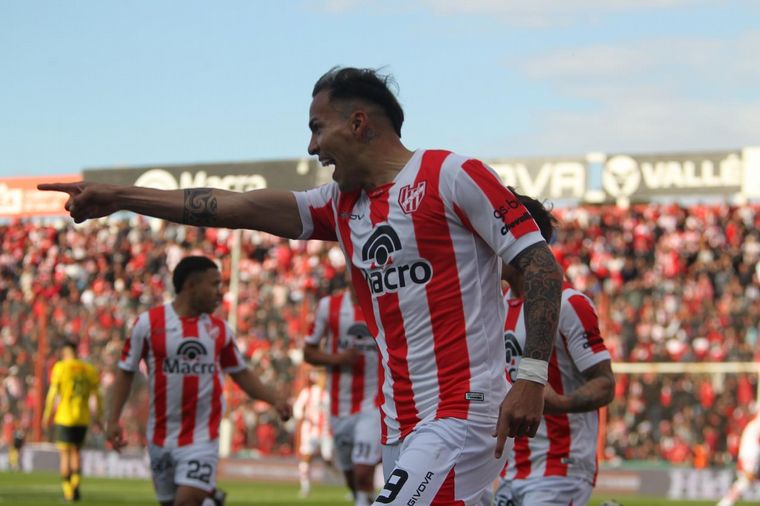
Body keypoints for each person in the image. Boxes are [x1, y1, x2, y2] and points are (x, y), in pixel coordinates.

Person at [40, 65, 564, 504]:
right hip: (398, 421)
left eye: (318, 128)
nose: (313, 146)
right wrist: (122, 198)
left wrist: (531, 377)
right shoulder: (339, 205)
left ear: (359, 123)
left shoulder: (452, 175)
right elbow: (235, 206)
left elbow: (540, 266)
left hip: (461, 412)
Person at [105, 255, 291, 506]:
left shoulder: (219, 330)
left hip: (202, 437)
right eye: (214, 285)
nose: (220, 292)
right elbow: (125, 372)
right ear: (191, 286)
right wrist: (113, 419)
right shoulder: (148, 324)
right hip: (160, 437)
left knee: (186, 502)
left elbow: (241, 373)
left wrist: (275, 398)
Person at [493, 191, 615, 506]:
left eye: (499, 232)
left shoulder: (570, 304)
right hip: (512, 467)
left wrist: (558, 403)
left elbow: (605, 384)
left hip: (561, 465)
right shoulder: (498, 308)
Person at [303, 280, 381, 506]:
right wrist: (338, 359)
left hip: (373, 402)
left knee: (363, 471)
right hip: (339, 406)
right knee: (350, 474)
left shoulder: (383, 302)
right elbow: (308, 352)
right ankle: (366, 500)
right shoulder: (329, 306)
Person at [42, 340, 103, 503]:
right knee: (76, 453)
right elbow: (98, 396)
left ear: (65, 352)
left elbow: (52, 393)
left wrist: (47, 415)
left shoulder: (61, 367)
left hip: (65, 416)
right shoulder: (89, 369)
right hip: (82, 418)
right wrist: (99, 416)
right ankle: (76, 486)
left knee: (65, 455)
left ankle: (68, 491)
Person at [292, 369, 333, 499]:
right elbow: (297, 408)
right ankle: (305, 487)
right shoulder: (308, 392)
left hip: (327, 432)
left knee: (329, 459)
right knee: (306, 458)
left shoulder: (329, 394)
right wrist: (303, 416)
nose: (324, 379)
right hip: (310, 431)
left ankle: (346, 484)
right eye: (322, 377)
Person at [717, 410, 760, 506]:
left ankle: (725, 503)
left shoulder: (753, 425)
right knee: (746, 479)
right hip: (751, 454)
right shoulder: (755, 426)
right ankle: (725, 503)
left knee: (746, 480)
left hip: (749, 453)